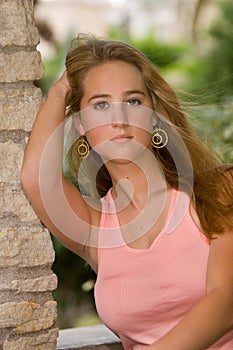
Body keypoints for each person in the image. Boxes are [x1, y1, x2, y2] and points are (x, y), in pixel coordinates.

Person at [21, 33, 233, 350]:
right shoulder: (95, 230)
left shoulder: (220, 189)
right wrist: (59, 90)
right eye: (100, 104)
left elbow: (225, 305)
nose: (119, 119)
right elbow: (36, 178)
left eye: (133, 101)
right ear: (80, 125)